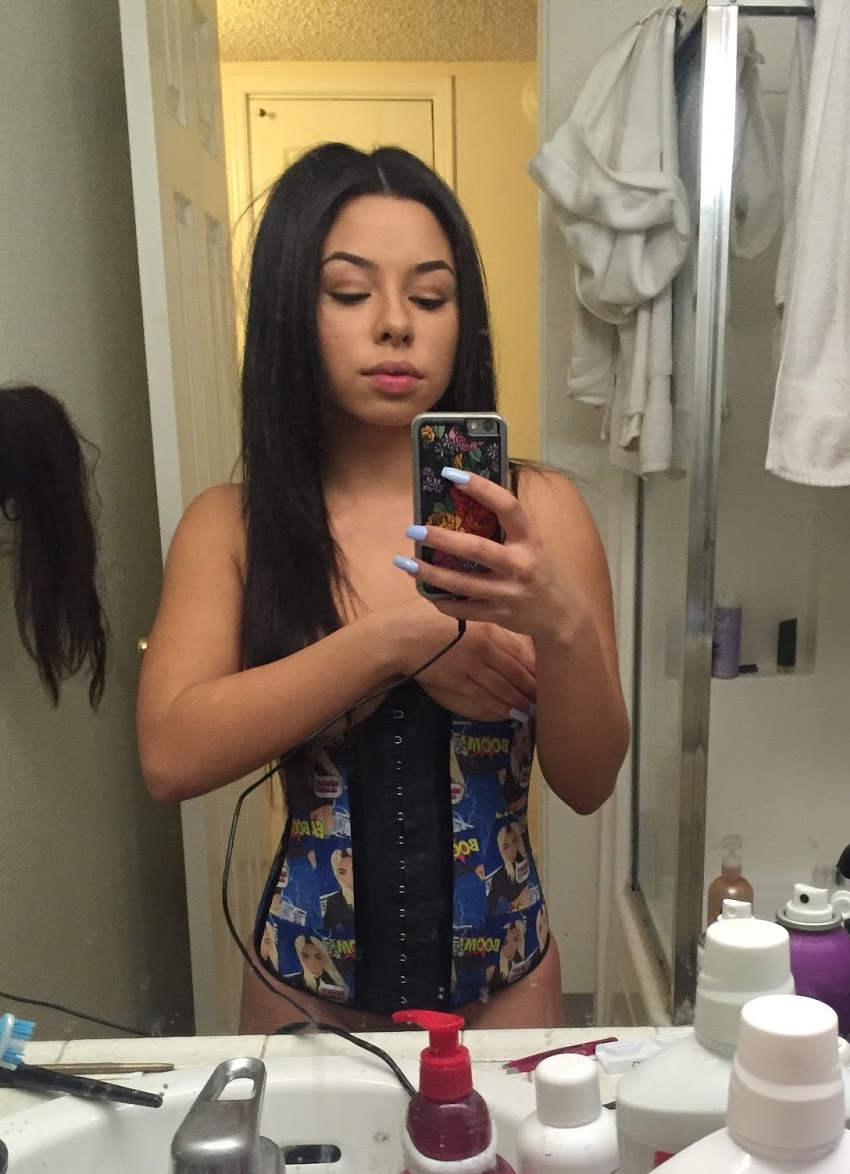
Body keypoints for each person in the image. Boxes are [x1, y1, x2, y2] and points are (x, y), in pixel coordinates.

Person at [137, 142, 628, 1032]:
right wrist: (398, 642)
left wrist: (564, 629)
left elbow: (590, 783)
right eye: (350, 292)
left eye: (430, 297)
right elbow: (171, 756)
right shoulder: (235, 525)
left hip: (507, 990)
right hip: (303, 993)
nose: (396, 324)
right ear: (293, 309)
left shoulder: (539, 509)